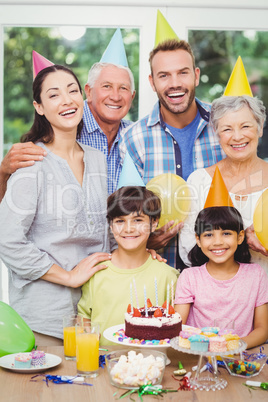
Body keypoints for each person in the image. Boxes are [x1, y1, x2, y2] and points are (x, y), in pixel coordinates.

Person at [0, 65, 112, 346]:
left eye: (72, 90)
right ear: (39, 107)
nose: (67, 100)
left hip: (94, 313)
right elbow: (7, 240)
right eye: (54, 95)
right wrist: (69, 277)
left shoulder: (98, 159)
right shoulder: (31, 162)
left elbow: (105, 232)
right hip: (44, 319)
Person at [120, 39, 225, 269]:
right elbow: (123, 213)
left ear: (196, 76)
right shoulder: (134, 140)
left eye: (183, 73)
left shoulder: (224, 127)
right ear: (152, 82)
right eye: (164, 75)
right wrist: (145, 240)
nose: (175, 83)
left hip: (219, 277)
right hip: (158, 275)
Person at [0, 62, 136, 199]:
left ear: (132, 96)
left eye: (123, 88)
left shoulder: (137, 137)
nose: (115, 96)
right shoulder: (58, 134)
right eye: (107, 86)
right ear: (88, 92)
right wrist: (3, 172)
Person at [77, 186, 179, 345]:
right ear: (111, 226)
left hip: (152, 363)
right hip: (104, 362)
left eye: (138, 220)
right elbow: (83, 317)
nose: (129, 228)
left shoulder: (168, 276)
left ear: (153, 223)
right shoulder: (97, 272)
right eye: (119, 221)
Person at [179, 95, 268, 275]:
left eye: (245, 126)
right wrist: (239, 242)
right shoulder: (199, 181)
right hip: (216, 297)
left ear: (260, 128)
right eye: (227, 129)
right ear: (216, 133)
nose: (237, 136)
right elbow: (188, 250)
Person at [174, 206, 268, 349]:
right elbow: (178, 326)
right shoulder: (189, 277)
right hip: (198, 357)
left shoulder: (256, 275)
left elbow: (262, 330)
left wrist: (233, 347)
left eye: (226, 233)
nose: (217, 242)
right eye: (208, 235)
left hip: (241, 357)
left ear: (240, 237)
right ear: (198, 240)